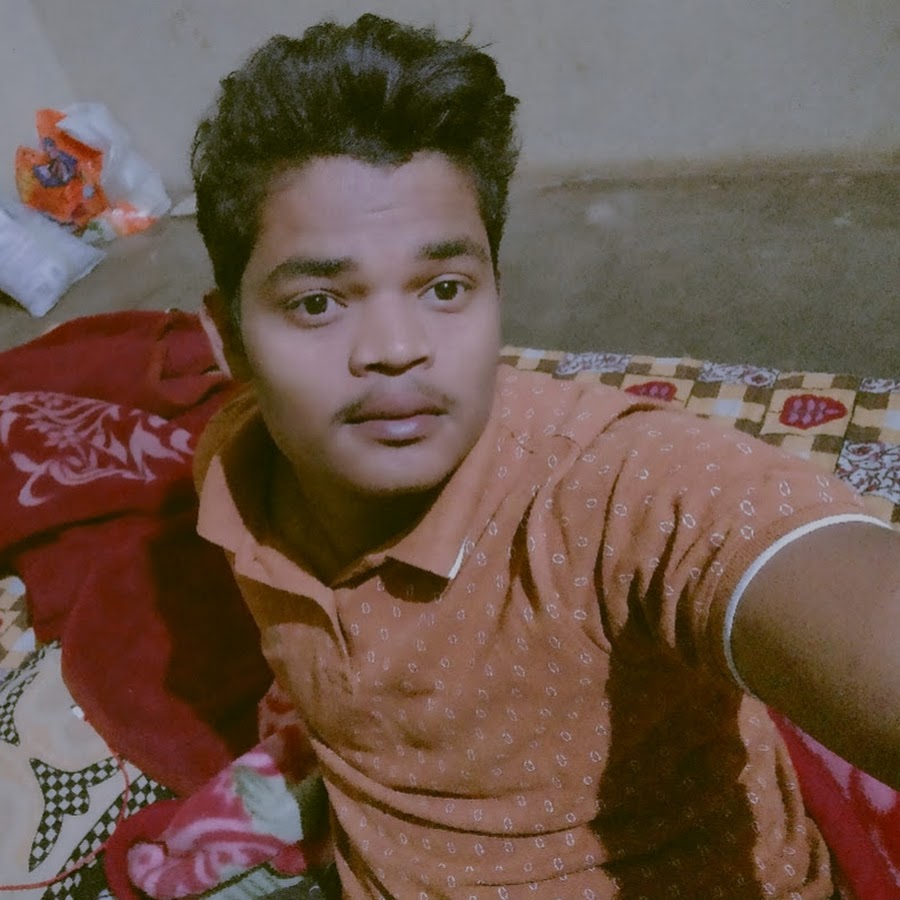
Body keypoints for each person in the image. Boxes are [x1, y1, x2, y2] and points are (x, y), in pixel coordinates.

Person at [189, 13, 900, 899]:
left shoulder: (605, 489)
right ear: (229, 340)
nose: (398, 348)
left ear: (496, 290)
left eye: (445, 288)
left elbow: (762, 550)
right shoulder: (233, 471)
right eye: (318, 303)